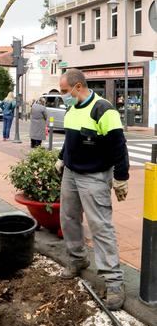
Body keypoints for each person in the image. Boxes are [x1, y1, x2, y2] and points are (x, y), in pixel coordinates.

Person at [55, 68, 129, 311]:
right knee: (68, 218)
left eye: (65, 91)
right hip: (71, 173)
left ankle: (114, 281)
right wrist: (61, 157)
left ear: (78, 87)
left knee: (100, 226)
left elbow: (118, 144)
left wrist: (121, 177)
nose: (63, 95)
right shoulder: (71, 110)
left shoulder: (103, 109)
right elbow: (70, 139)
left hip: (95, 176)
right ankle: (77, 259)